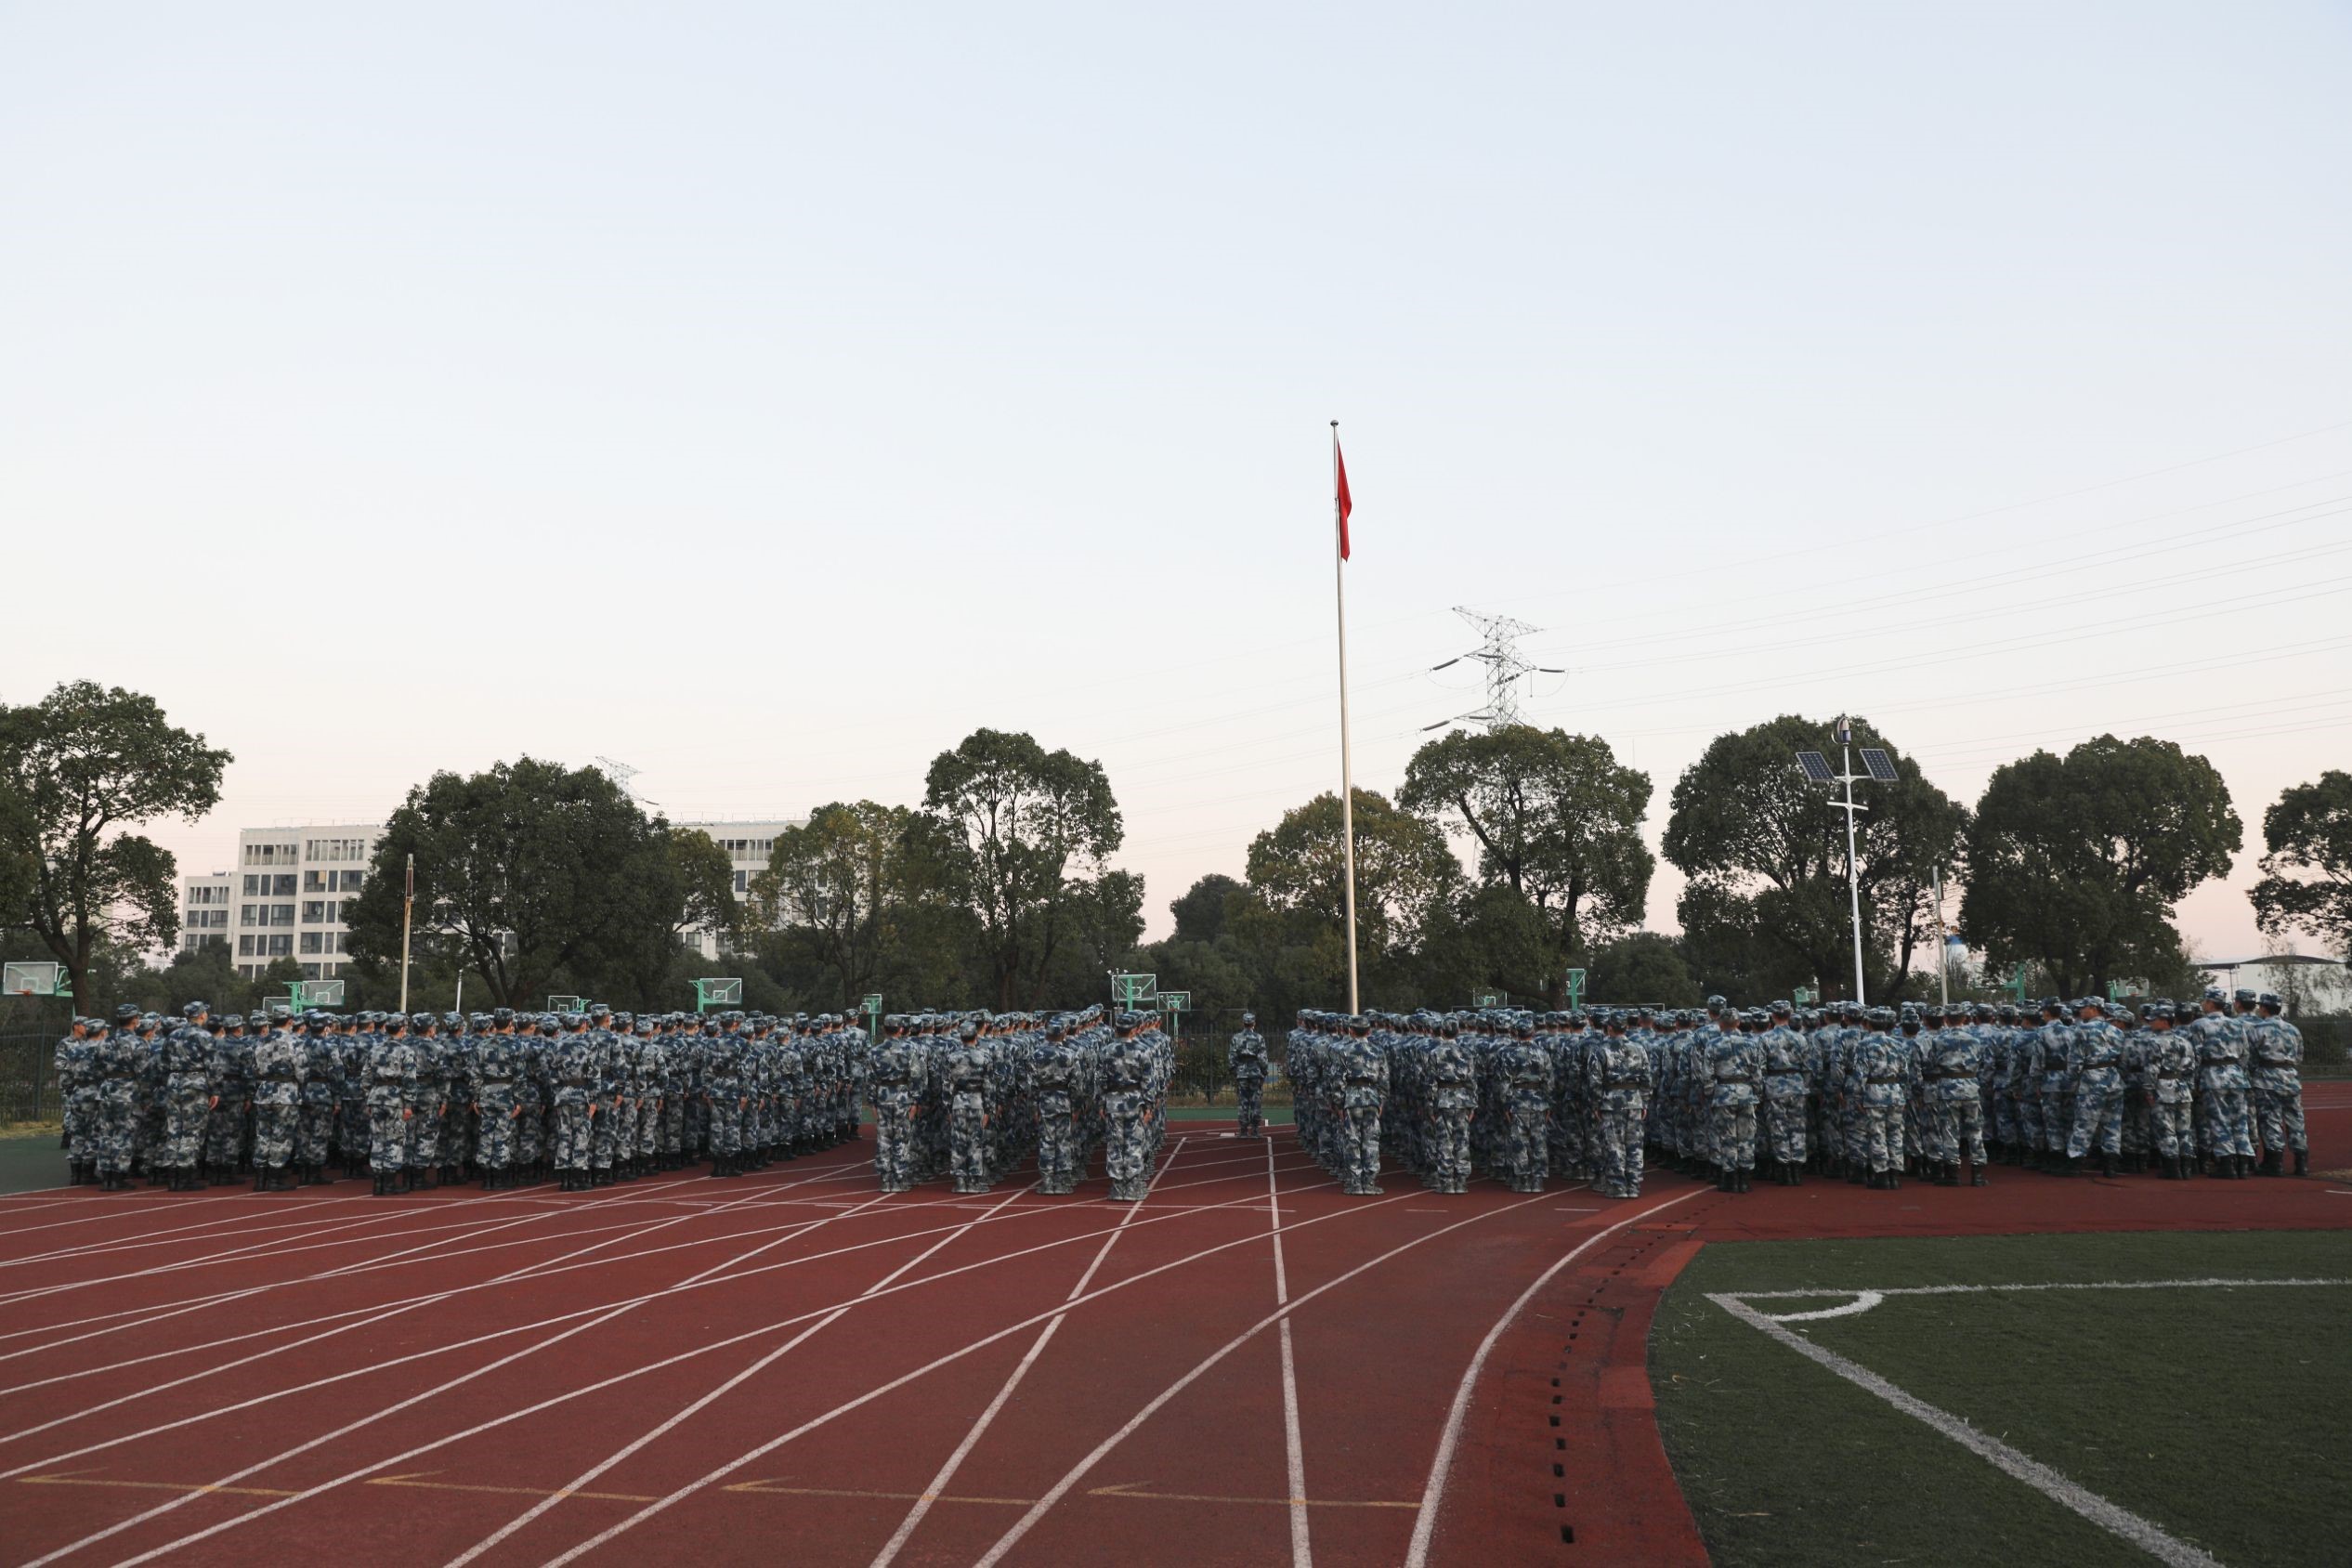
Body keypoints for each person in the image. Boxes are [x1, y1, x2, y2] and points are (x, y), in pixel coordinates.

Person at [2245, 992, 2306, 1177]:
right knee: (2295, 1120)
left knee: (2271, 1120)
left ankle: (2274, 1162)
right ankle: (2301, 1162)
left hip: (2267, 1079)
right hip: (2290, 1078)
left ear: (2263, 1008)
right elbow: (2299, 1056)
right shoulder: (2293, 1029)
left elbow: (2251, 1058)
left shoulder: (2257, 1029)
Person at [1229, 1013, 1269, 1138]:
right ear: (1254, 1023)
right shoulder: (1259, 1038)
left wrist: (1235, 1070)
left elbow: (1232, 1057)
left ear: (1243, 1023)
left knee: (1243, 1102)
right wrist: (1264, 1071)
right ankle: (1255, 1130)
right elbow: (1263, 1058)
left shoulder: (1236, 1038)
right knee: (1256, 1101)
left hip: (1241, 1073)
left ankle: (1243, 1130)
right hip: (1255, 1072)